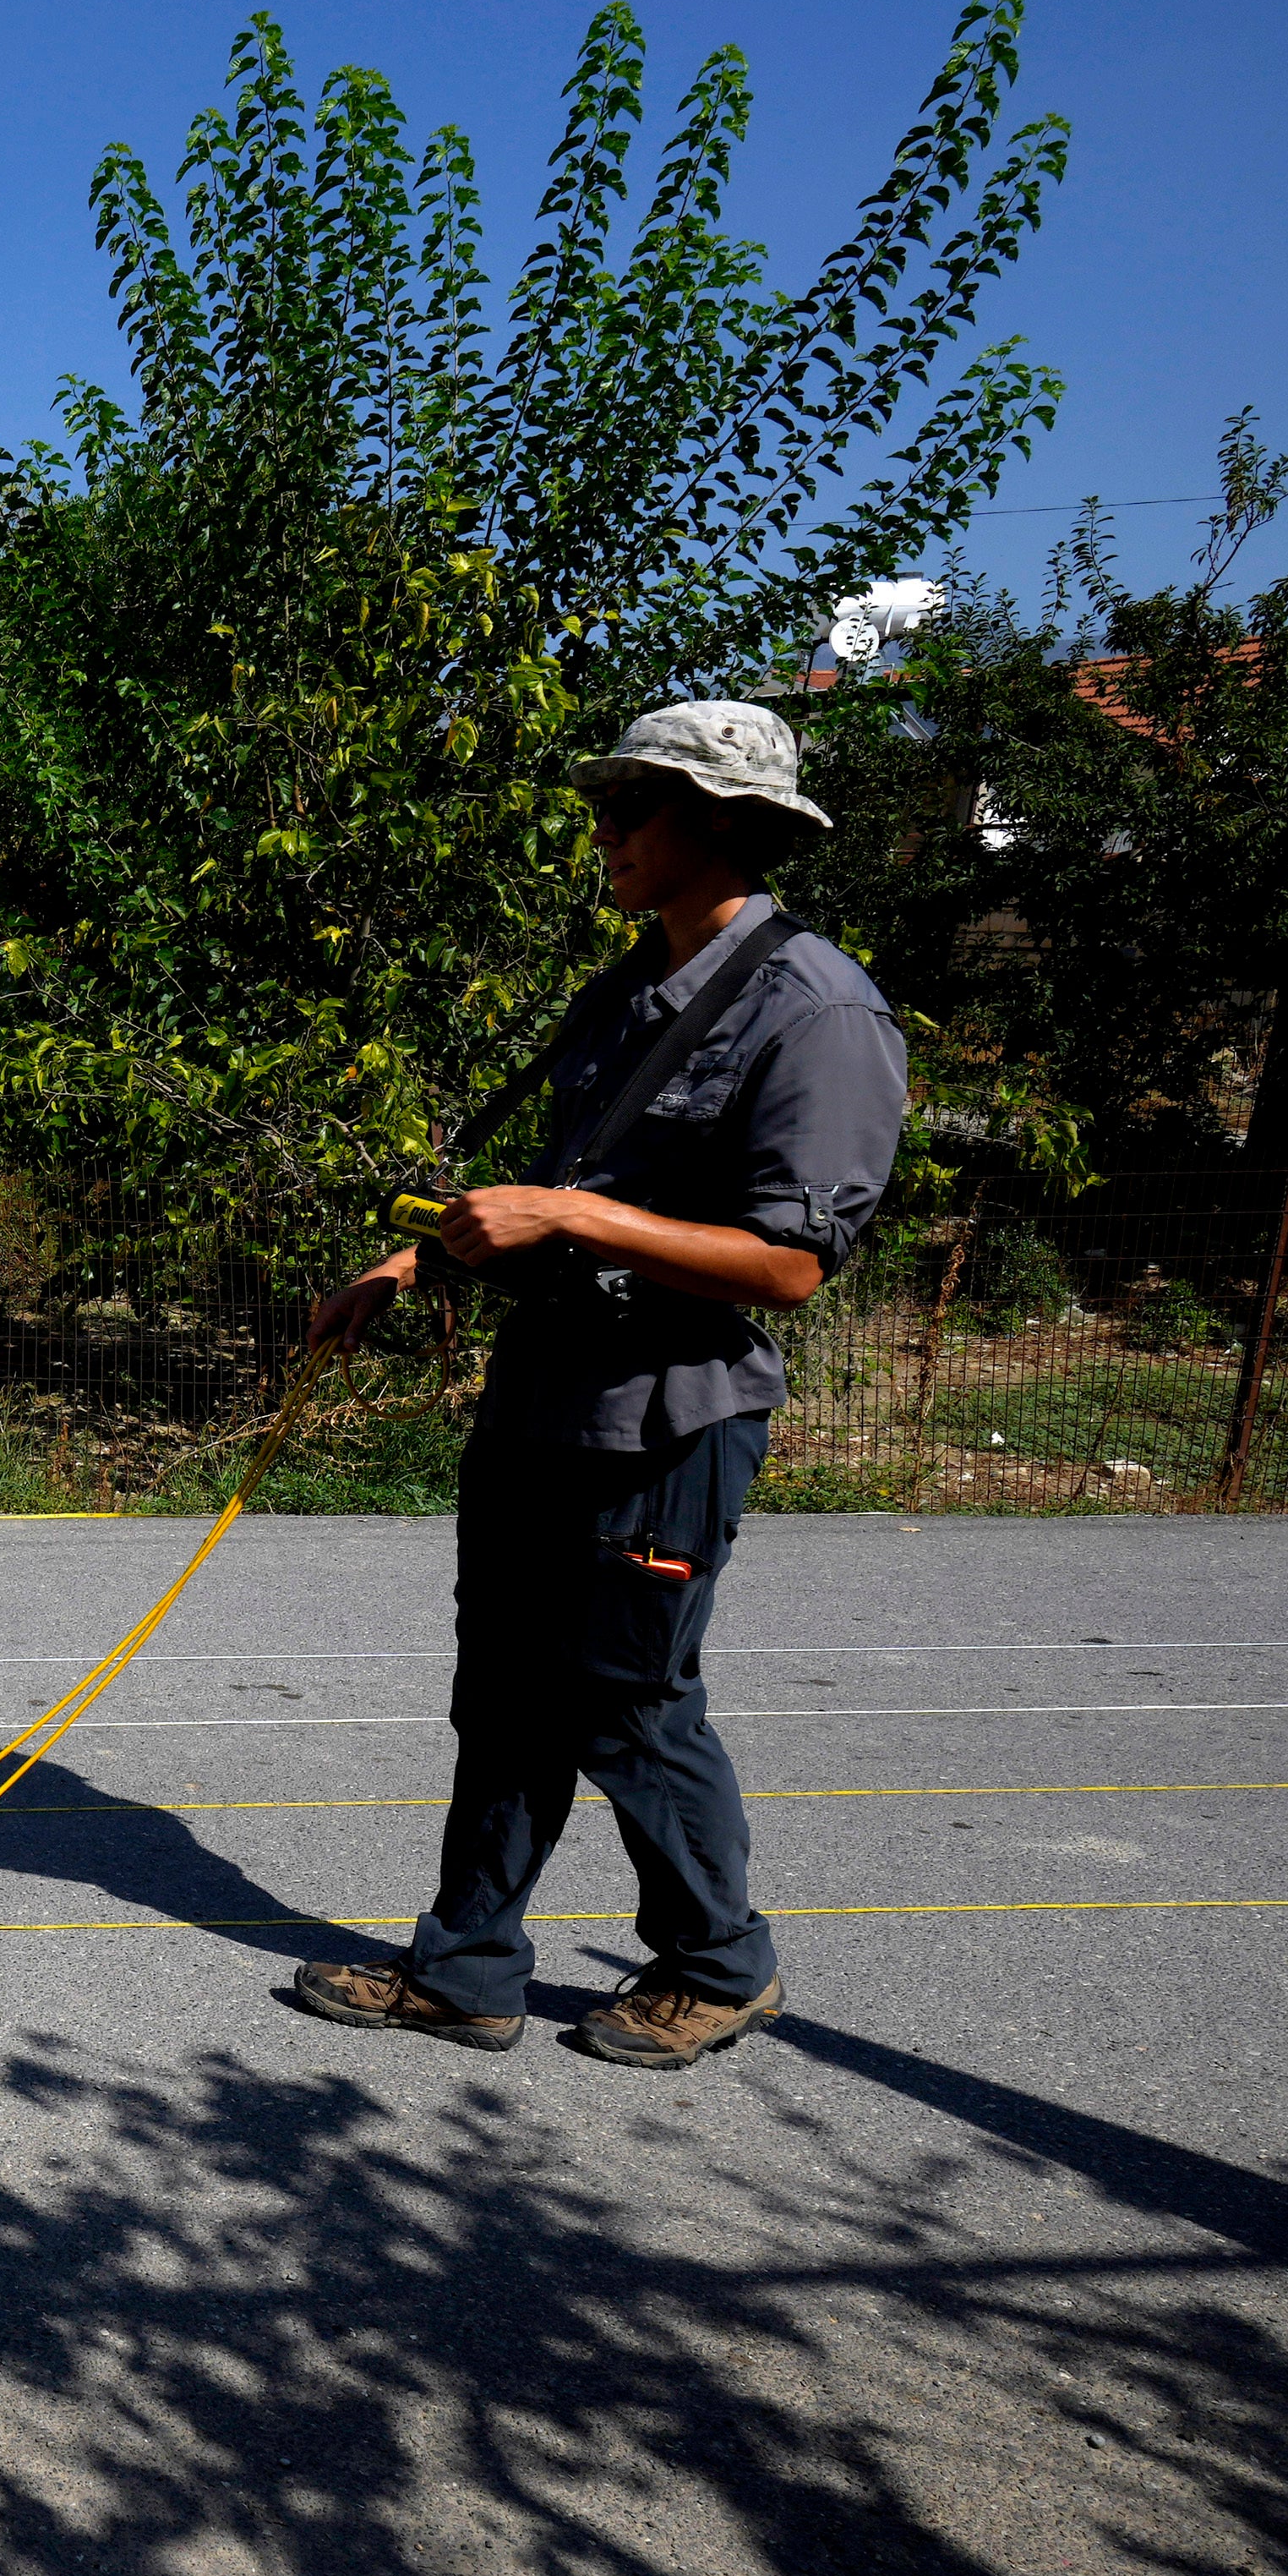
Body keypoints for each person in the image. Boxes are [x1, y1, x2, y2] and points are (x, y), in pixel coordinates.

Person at [288, 701, 907, 2070]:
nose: (607, 827)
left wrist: (573, 1225)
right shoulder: (628, 987)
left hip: (671, 1418)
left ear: (728, 824)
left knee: (628, 1700)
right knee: (505, 1690)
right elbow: (565, 1190)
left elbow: (792, 1266)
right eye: (608, 800)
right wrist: (408, 1264)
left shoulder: (822, 1011)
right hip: (543, 1400)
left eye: (640, 801)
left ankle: (718, 1962)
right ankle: (467, 1970)